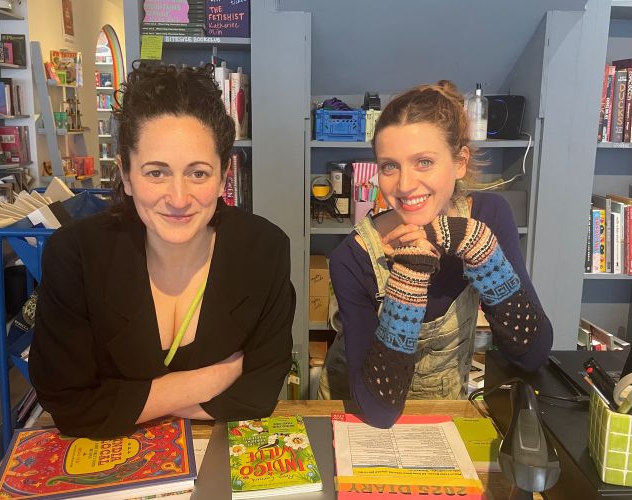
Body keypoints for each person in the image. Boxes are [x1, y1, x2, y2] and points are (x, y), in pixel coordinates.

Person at [29, 63, 295, 438]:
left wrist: (122, 403)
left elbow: (257, 396)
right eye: (156, 172)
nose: (179, 198)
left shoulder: (264, 251)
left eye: (198, 173)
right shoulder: (76, 256)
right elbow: (68, 406)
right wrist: (214, 378)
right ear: (126, 175)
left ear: (223, 177)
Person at [320, 81, 553, 428]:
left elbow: (531, 353)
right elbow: (378, 410)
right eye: (389, 166)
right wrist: (409, 277)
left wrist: (478, 248)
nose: (404, 185)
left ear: (459, 162)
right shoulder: (352, 258)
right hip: (358, 414)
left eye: (424, 162)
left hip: (445, 413)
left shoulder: (489, 216)